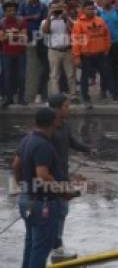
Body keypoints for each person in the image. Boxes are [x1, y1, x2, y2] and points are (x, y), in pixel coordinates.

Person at [13, 108, 75, 268]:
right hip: (43, 204)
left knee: (31, 243)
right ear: (54, 121)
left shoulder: (27, 139)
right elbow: (43, 175)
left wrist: (23, 185)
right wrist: (64, 190)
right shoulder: (43, 145)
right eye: (58, 119)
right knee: (40, 249)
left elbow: (16, 165)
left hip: (27, 199)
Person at [46, 94, 92, 263]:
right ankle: (55, 248)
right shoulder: (49, 128)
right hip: (52, 178)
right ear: (57, 108)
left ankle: (57, 245)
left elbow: (72, 142)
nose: (69, 108)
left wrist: (87, 149)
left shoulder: (64, 125)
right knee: (57, 211)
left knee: (62, 211)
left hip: (63, 175)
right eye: (66, 106)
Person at [71, 0, 112, 110]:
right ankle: (85, 98)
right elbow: (77, 42)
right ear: (83, 10)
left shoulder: (100, 20)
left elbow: (106, 35)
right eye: (88, 8)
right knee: (85, 77)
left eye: (92, 8)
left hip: (100, 53)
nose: (91, 10)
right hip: (86, 55)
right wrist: (77, 56)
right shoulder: (79, 24)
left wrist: (107, 48)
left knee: (105, 73)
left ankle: (103, 91)